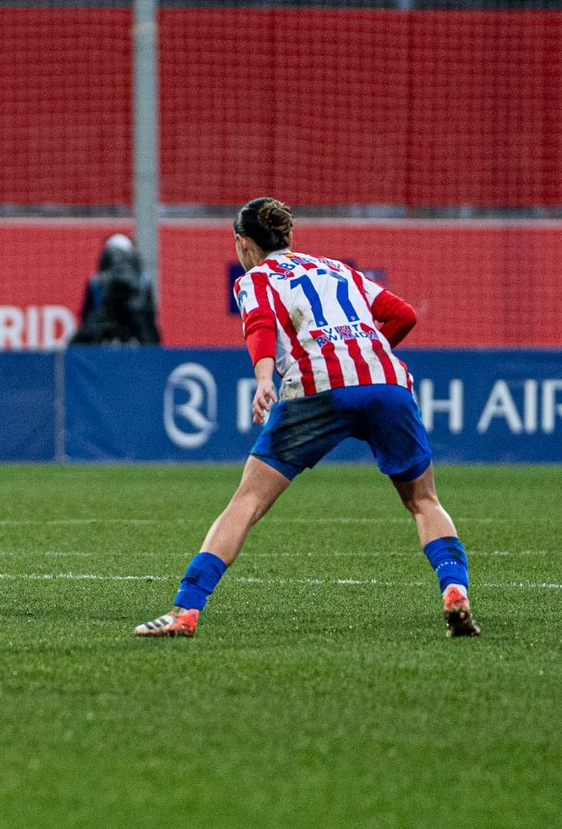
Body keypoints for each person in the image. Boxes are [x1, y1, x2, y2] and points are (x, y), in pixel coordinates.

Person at [134, 197, 478, 639]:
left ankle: (186, 610)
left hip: (317, 388)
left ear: (243, 243)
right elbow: (403, 314)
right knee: (424, 502)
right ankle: (454, 590)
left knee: (248, 502)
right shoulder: (337, 269)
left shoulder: (254, 279)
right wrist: (364, 359)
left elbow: (259, 325)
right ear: (288, 236)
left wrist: (263, 380)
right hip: (386, 382)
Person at [69, 233, 160, 345]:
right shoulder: (143, 280)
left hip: (108, 327)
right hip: (126, 328)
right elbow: (150, 315)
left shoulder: (96, 280)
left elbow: (87, 313)